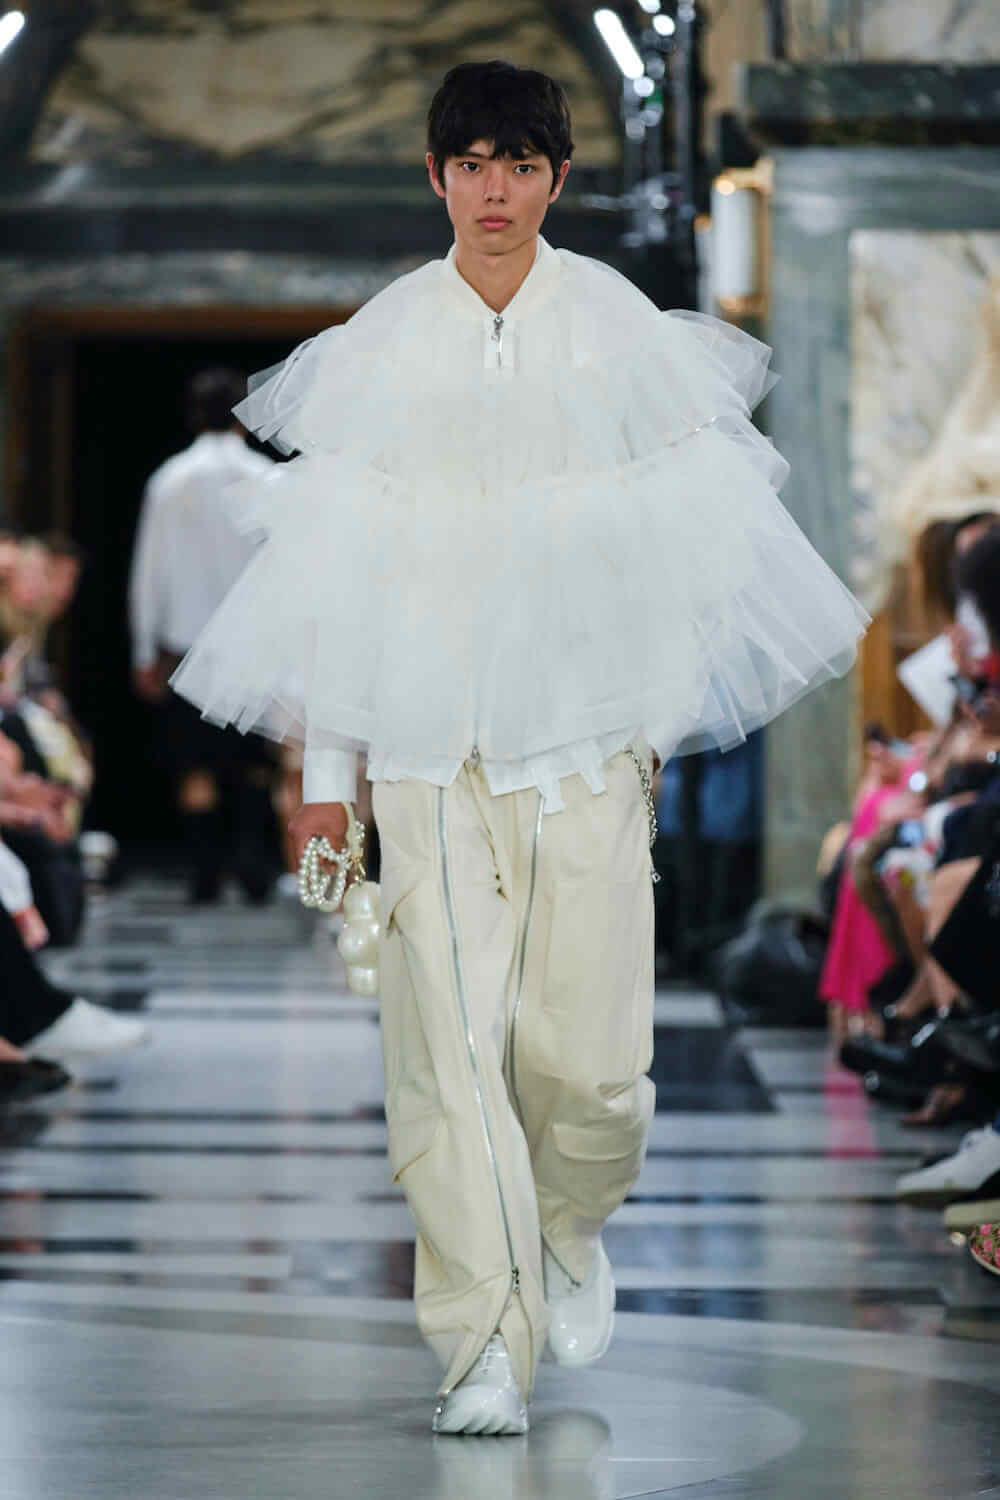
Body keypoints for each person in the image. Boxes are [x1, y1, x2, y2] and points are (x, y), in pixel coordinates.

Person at [172, 62, 868, 1434]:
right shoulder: (381, 343)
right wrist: (329, 784)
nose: (496, 190)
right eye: (473, 163)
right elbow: (335, 580)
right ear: (436, 177)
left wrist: (647, 732)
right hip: (425, 752)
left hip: (588, 750)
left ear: (556, 178)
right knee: (443, 1054)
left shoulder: (616, 330)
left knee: (590, 1066)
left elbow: (698, 559)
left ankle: (566, 1221)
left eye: (523, 164)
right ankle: (481, 1342)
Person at [129, 369, 279, 903]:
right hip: (252, 641)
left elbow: (149, 571)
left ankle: (206, 872)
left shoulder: (170, 480)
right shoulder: (264, 477)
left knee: (195, 764)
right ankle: (253, 867)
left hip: (186, 642)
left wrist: (143, 648)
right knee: (253, 762)